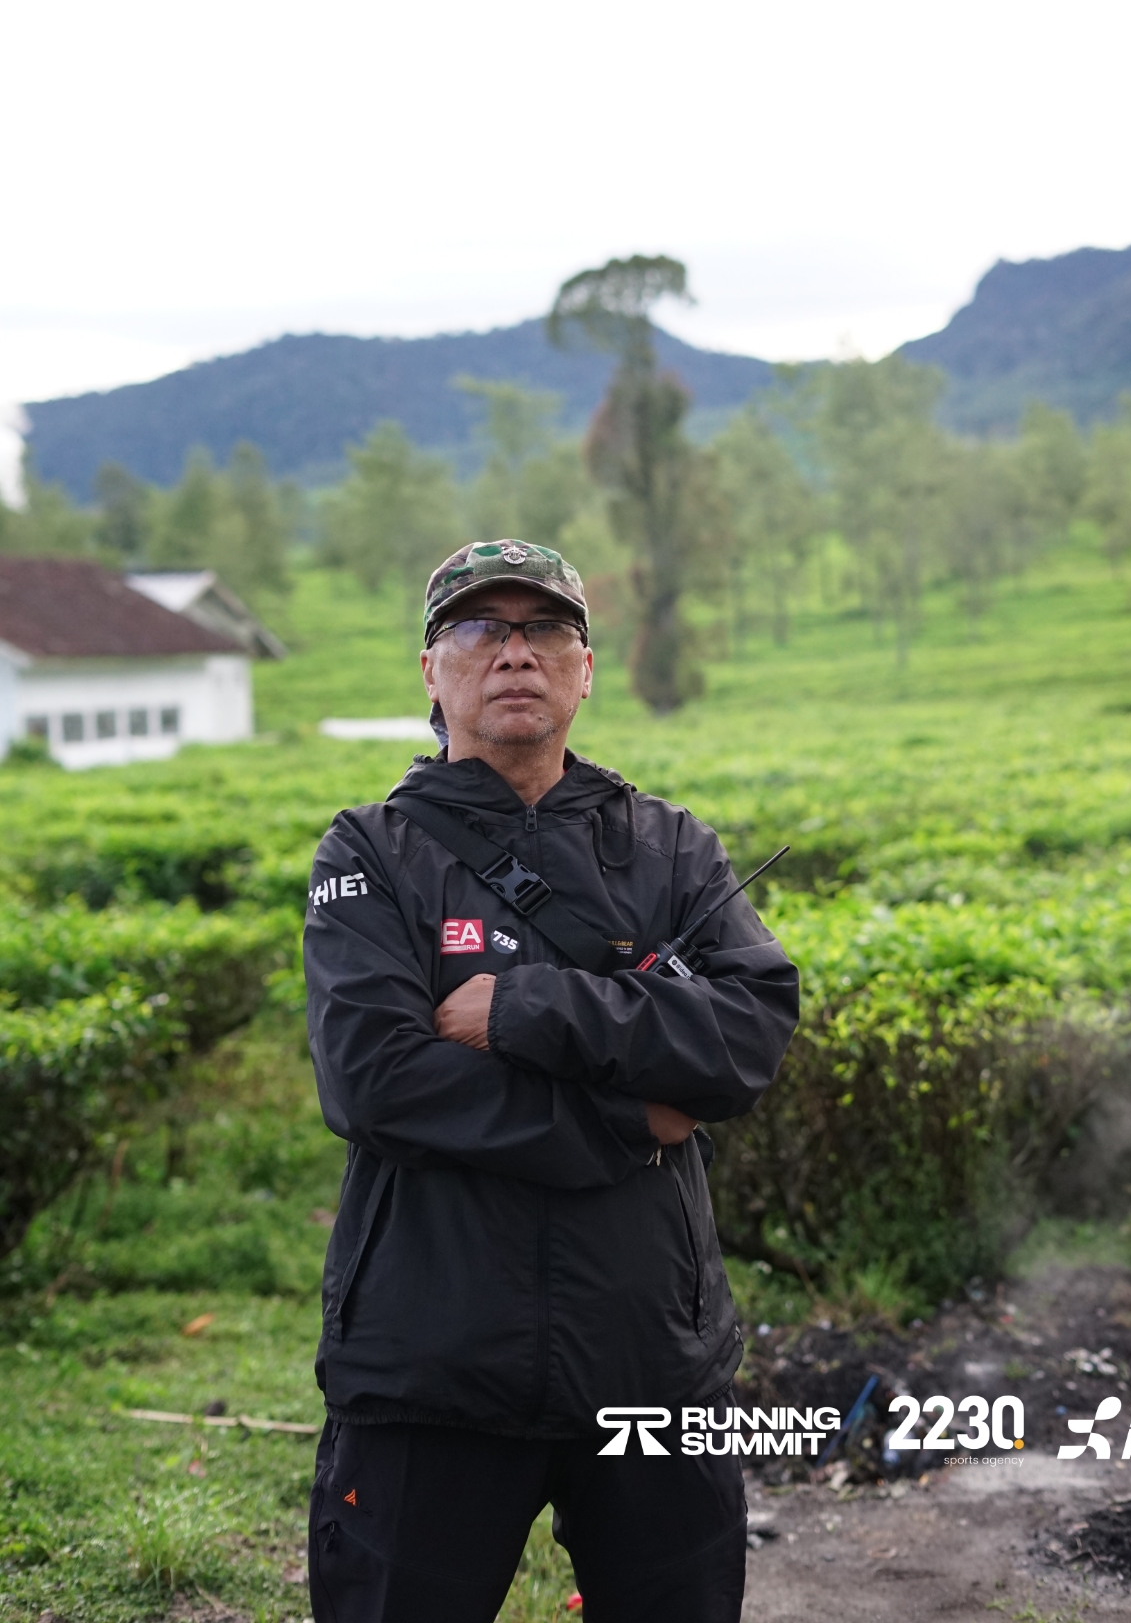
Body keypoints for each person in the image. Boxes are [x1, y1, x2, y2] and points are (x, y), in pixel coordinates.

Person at [304, 538, 799, 1623]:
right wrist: (630, 1117)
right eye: (480, 629)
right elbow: (376, 1080)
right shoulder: (370, 854)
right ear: (432, 671)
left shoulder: (671, 849)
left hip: (649, 1356)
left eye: (545, 630)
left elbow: (748, 1034)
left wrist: (522, 1008)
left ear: (585, 669)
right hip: (429, 1360)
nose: (515, 653)